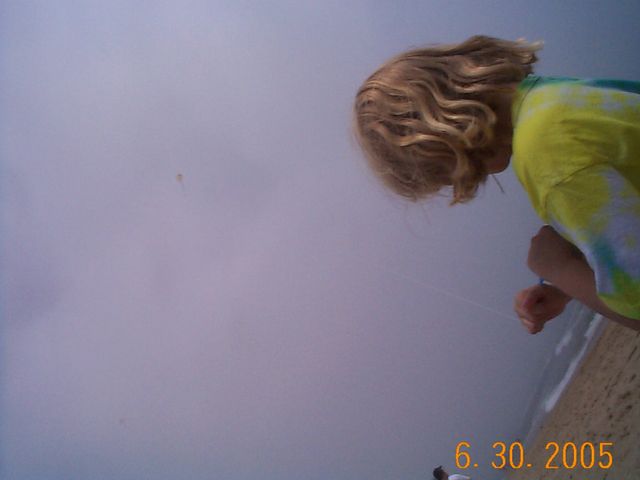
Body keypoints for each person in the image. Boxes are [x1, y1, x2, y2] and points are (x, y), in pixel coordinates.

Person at [353, 35, 640, 332]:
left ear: (437, 139)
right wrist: (565, 289)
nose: (458, 183)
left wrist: (561, 269)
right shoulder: (552, 97)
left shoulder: (547, 156)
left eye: (439, 174)